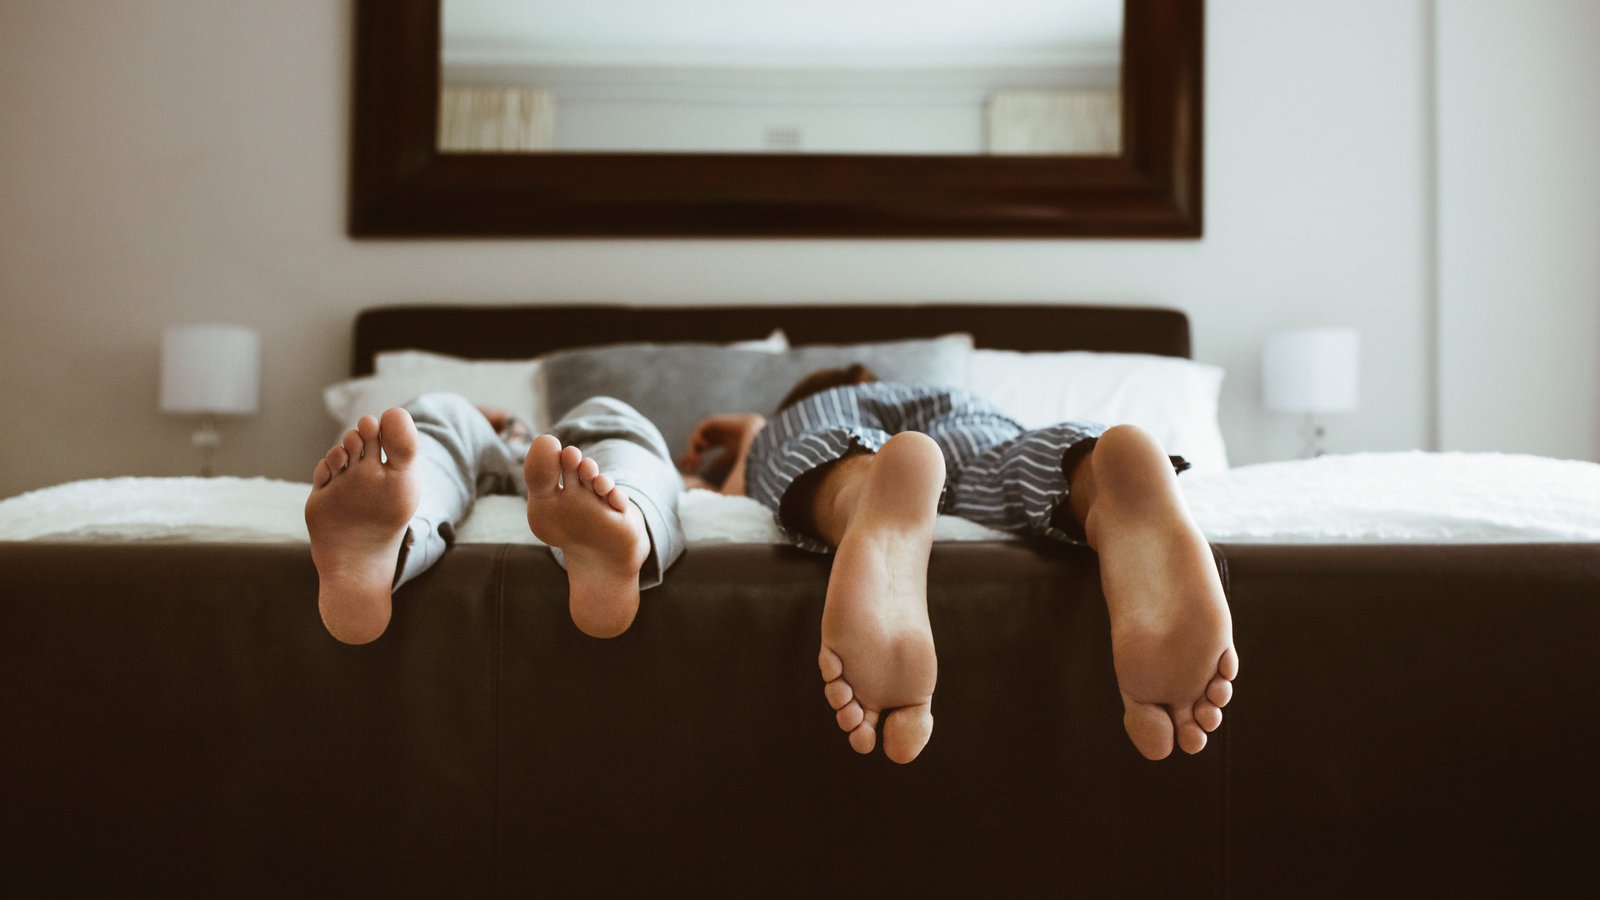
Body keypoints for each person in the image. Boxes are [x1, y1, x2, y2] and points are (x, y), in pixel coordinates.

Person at [678, 364, 1238, 765]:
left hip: (817, 421)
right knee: (1010, 461)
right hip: (972, 419)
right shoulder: (943, 393)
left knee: (825, 456)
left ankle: (861, 491)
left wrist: (755, 436)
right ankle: (1095, 478)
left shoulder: (808, 407)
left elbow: (726, 498)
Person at [305, 392, 683, 643]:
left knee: (603, 414)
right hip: (559, 471)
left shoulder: (544, 436)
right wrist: (488, 421)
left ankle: (624, 521)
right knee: (610, 422)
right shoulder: (479, 426)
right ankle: (629, 507)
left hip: (560, 466)